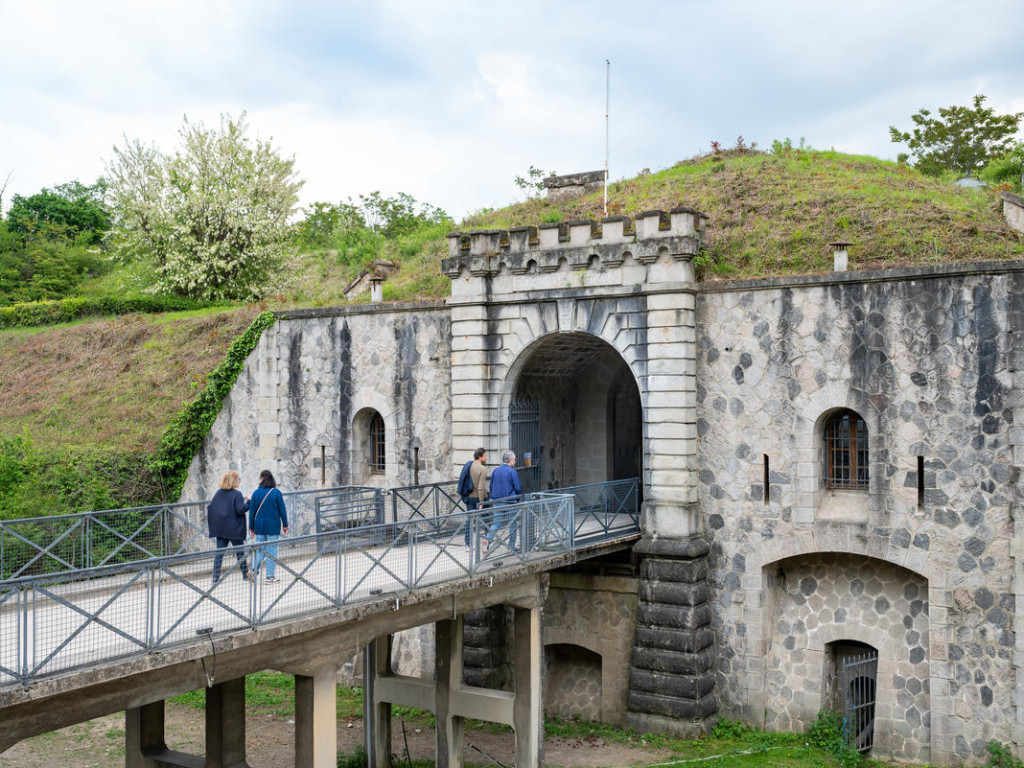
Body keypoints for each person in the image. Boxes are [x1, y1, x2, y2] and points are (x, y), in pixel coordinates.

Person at [207, 470, 250, 583]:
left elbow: (211, 507)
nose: (239, 481)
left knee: (219, 553)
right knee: (240, 552)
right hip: (234, 529)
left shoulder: (218, 493)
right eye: (238, 479)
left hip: (221, 528)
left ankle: (215, 577)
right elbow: (241, 510)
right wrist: (249, 501)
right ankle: (245, 574)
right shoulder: (237, 494)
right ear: (234, 481)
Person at [249, 469, 289, 582]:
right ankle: (270, 577)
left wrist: (251, 527)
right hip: (273, 526)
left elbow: (252, 512)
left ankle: (253, 570)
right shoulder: (276, 493)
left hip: (259, 526)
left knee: (260, 550)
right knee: (272, 551)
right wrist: (285, 525)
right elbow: (282, 511)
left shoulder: (256, 493)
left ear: (261, 479)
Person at [486, 451, 522, 552]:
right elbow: (518, 487)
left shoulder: (495, 471)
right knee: (512, 524)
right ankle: (511, 547)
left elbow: (491, 486)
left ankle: (488, 539)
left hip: (496, 499)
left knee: (497, 522)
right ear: (510, 460)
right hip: (510, 501)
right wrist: (517, 498)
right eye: (514, 459)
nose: (515, 461)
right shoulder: (512, 472)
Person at [465, 448, 489, 546]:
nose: (486, 457)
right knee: (486, 519)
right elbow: (481, 487)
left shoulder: (469, 465)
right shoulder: (482, 469)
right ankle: (488, 540)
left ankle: (468, 543)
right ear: (480, 457)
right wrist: (481, 502)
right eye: (485, 456)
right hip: (479, 498)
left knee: (469, 520)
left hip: (469, 496)